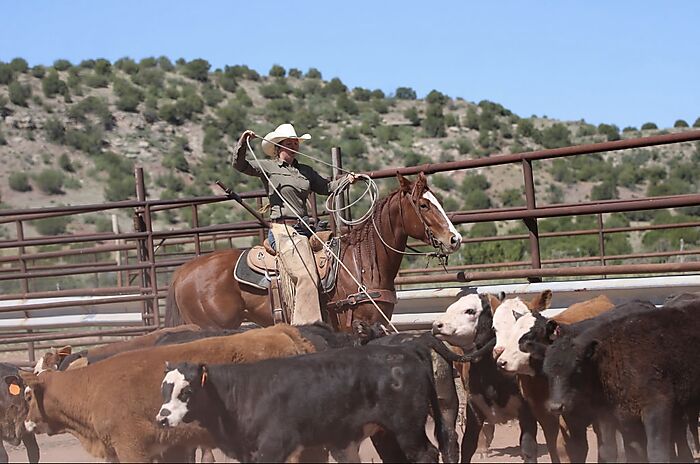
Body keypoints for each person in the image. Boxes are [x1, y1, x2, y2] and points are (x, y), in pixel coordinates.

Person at [232, 123, 356, 324]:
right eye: (289, 143)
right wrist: (243, 142)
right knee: (306, 275)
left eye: (295, 143)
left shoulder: (305, 171)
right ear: (278, 146)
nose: (293, 146)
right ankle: (307, 325)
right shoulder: (269, 167)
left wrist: (347, 180)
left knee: (336, 260)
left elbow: (326, 187)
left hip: (305, 229)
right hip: (283, 229)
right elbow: (240, 165)